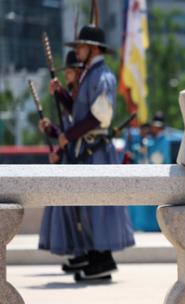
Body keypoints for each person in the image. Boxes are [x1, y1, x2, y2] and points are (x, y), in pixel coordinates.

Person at [39, 19, 135, 282]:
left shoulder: (103, 76)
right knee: (88, 207)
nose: (77, 51)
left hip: (97, 151)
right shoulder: (89, 76)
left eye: (81, 47)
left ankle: (102, 258)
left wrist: (67, 135)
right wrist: (61, 95)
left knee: (98, 207)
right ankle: (94, 257)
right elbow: (81, 113)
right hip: (88, 150)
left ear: (93, 49)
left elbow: (99, 117)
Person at [38, 50, 88, 273]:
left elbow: (78, 130)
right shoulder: (72, 95)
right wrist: (52, 131)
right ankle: (78, 252)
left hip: (84, 158)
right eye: (66, 72)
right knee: (70, 210)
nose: (67, 76)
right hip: (70, 158)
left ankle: (87, 254)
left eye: (70, 72)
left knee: (82, 211)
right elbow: (66, 133)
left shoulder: (82, 97)